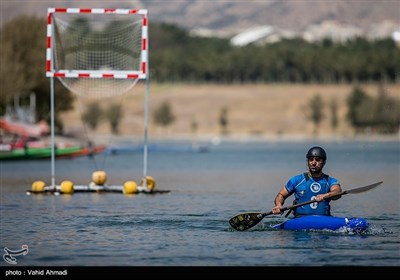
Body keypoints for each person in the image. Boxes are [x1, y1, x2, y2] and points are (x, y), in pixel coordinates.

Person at [272, 146, 342, 217]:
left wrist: (325, 196)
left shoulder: (330, 181)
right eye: (311, 160)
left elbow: (337, 193)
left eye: (317, 160)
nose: (313, 163)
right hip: (300, 219)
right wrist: (278, 205)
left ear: (324, 162)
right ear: (308, 162)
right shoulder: (297, 180)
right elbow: (281, 195)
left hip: (324, 218)